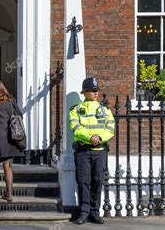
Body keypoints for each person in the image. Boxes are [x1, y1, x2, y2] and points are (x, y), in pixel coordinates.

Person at [69, 77, 114, 225]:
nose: (95, 93)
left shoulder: (105, 110)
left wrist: (99, 137)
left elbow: (111, 128)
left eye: (96, 90)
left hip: (99, 150)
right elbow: (76, 128)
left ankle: (95, 212)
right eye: (92, 91)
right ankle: (83, 212)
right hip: (83, 151)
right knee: (83, 182)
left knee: (97, 182)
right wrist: (91, 137)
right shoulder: (76, 110)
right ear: (85, 92)